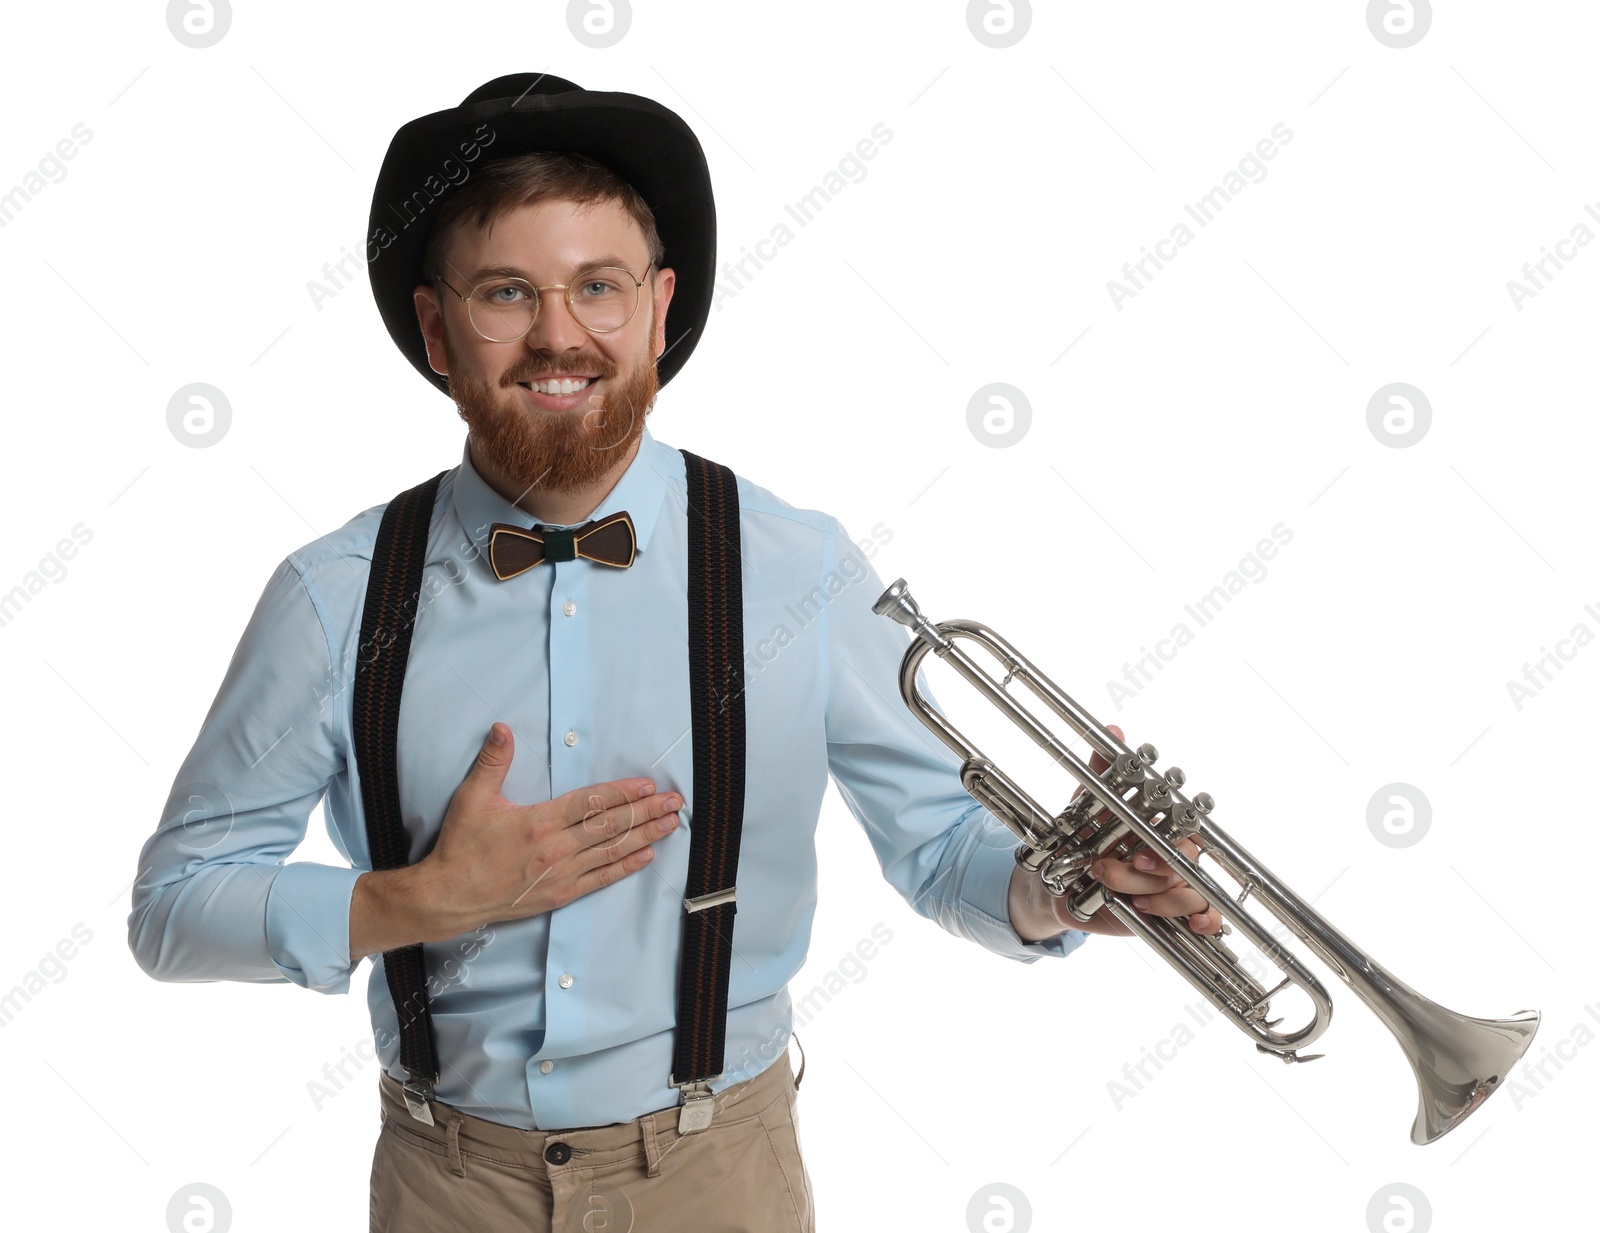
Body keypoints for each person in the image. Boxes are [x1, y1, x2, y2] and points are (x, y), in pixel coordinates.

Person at [128, 74, 1221, 1233]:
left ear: (658, 311)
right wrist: (415, 901)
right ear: (438, 330)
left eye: (596, 287)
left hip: (721, 1177)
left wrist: (1064, 889)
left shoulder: (797, 567)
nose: (559, 335)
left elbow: (943, 850)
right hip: (446, 1184)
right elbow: (173, 908)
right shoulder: (335, 594)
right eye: (508, 291)